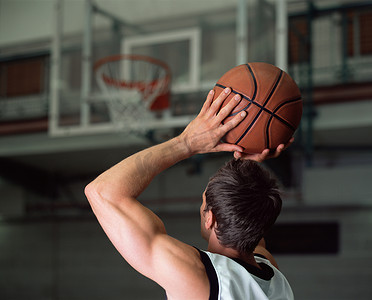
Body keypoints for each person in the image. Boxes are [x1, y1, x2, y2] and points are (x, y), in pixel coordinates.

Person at [85, 87, 294, 300]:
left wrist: (186, 143)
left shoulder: (198, 276)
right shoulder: (273, 279)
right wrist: (250, 166)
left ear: (210, 219)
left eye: (203, 203)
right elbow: (251, 218)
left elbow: (102, 191)